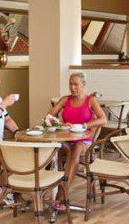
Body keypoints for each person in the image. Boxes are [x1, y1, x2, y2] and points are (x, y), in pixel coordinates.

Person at [46, 72, 108, 214]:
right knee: (54, 150)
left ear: (83, 85)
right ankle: (48, 191)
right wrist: (60, 124)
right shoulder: (65, 100)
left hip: (83, 141)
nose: (72, 87)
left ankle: (61, 195)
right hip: (66, 140)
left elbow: (103, 119)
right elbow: (49, 117)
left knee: (77, 149)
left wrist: (85, 125)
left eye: (76, 84)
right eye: (70, 84)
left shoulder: (90, 100)